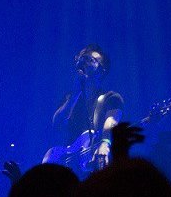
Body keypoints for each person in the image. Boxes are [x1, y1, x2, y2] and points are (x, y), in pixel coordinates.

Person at [44, 44, 123, 173]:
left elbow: (111, 122)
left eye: (90, 60)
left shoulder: (111, 97)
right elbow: (57, 123)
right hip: (68, 166)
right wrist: (74, 95)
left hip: (92, 165)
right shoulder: (70, 97)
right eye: (83, 59)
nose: (84, 63)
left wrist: (105, 142)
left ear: (101, 71)